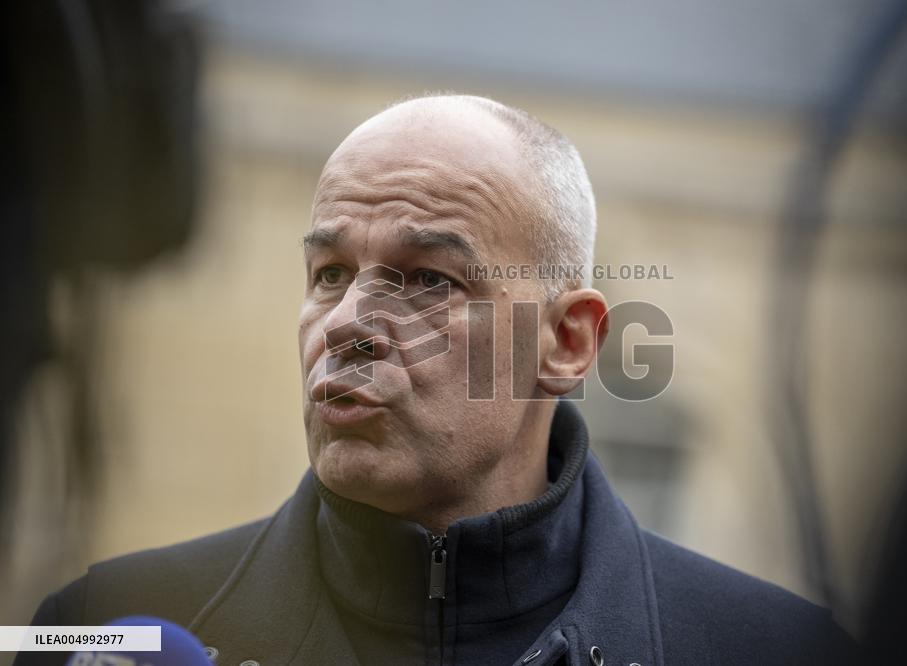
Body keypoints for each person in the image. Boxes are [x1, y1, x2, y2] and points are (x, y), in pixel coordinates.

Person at [18, 95, 855, 665]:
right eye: (328, 273)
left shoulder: (776, 650)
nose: (346, 322)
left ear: (565, 343)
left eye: (428, 282)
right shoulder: (102, 628)